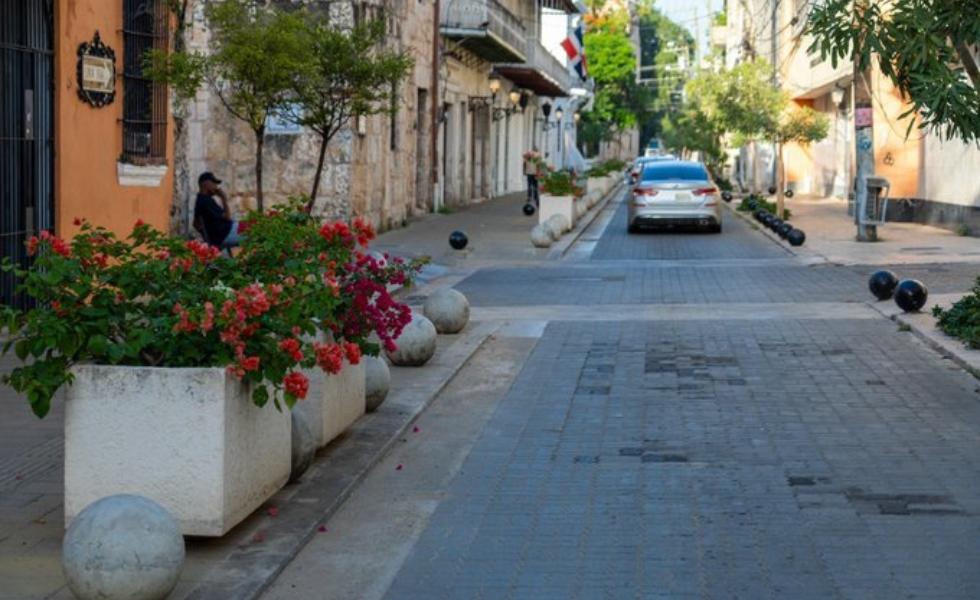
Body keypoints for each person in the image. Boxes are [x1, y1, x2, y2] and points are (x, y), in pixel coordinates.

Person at [193, 172, 243, 249]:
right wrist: (223, 199)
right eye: (214, 183)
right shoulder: (205, 201)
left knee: (255, 225)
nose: (216, 186)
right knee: (257, 230)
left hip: (225, 231)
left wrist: (206, 235)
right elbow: (227, 217)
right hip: (224, 234)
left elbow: (195, 224)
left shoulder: (201, 199)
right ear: (206, 184)